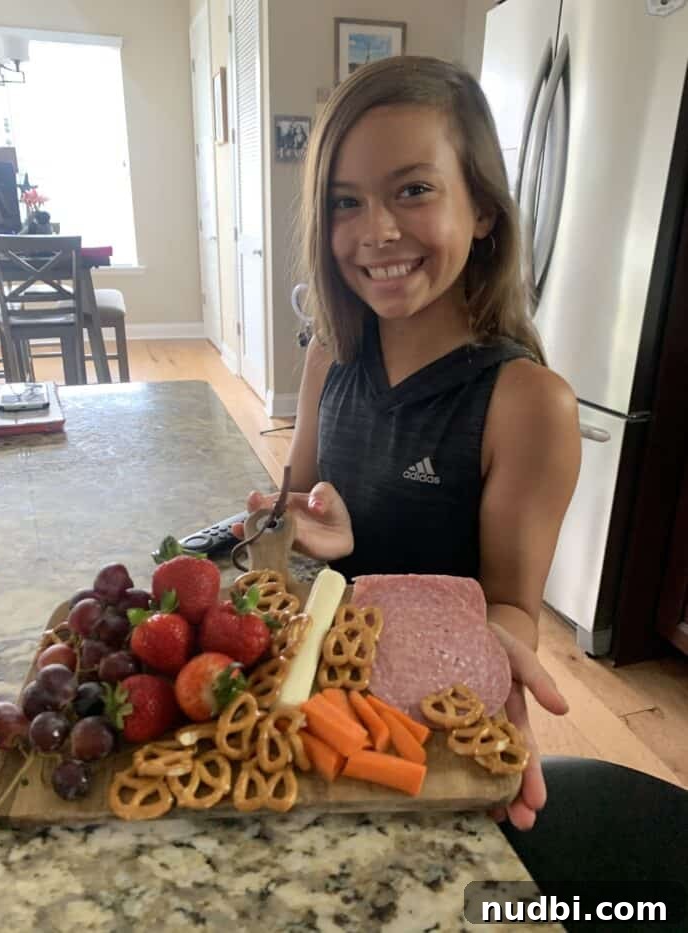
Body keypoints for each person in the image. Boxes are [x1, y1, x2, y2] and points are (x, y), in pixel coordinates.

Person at [233, 56, 581, 831]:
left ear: (484, 209)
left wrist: (494, 656)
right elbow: (298, 524)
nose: (376, 231)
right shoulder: (329, 353)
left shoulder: (526, 404)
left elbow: (515, 605)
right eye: (344, 201)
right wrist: (302, 528)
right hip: (313, 723)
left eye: (413, 190)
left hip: (422, 732)